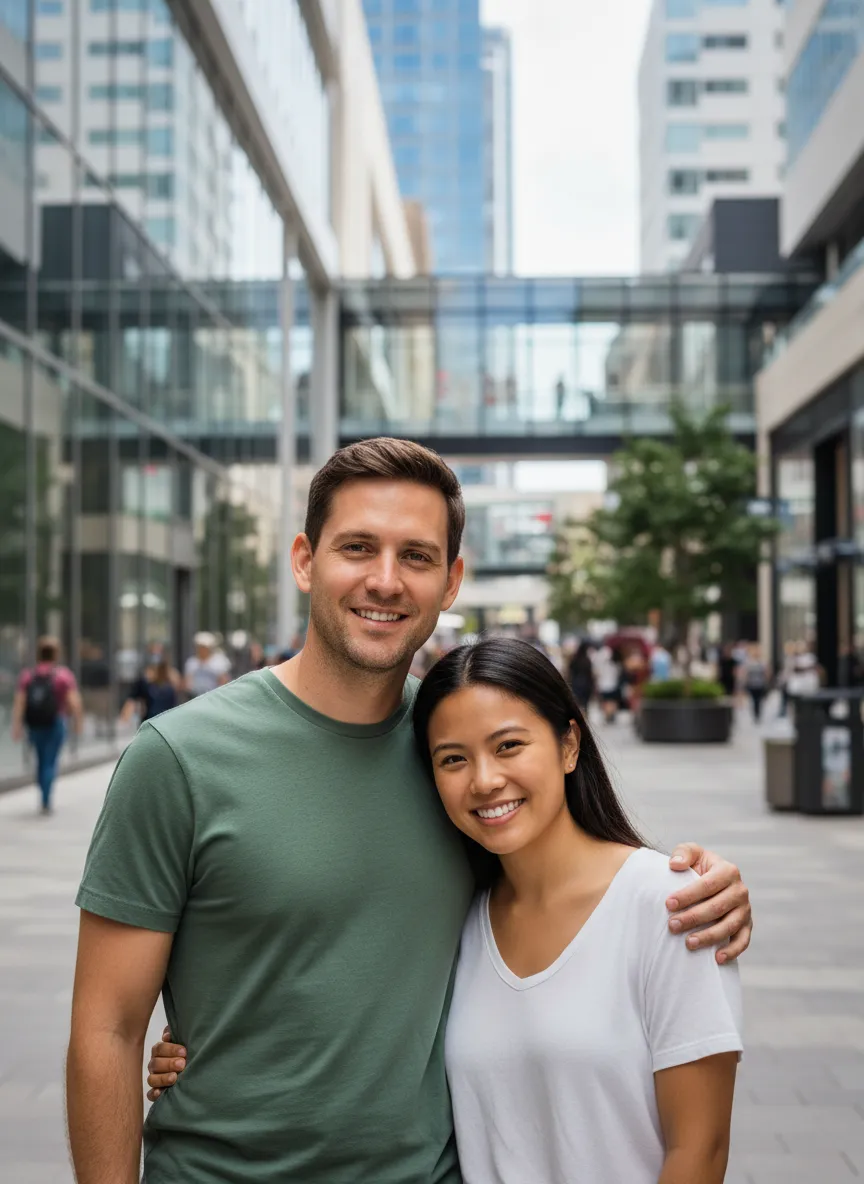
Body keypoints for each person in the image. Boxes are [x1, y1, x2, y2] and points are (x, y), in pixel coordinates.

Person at [68, 438, 752, 1184]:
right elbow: (107, 1029)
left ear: (452, 580)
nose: (385, 581)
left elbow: (571, 880)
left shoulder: (455, 756)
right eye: (358, 547)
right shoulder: (177, 758)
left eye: (417, 557)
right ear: (305, 559)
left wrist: (696, 886)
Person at [149, 639, 743, 1183]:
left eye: (509, 745)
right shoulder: (464, 916)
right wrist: (210, 1044)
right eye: (453, 759)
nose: (485, 780)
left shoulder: (673, 907)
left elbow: (700, 1150)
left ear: (568, 744)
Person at [11, 636, 84, 814]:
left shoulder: (28, 676)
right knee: (50, 761)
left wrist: (17, 725)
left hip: (35, 724)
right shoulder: (63, 676)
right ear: (56, 654)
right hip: (55, 723)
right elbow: (75, 703)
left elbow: (20, 702)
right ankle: (46, 799)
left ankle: (42, 790)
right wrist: (78, 722)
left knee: (40, 758)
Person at [120, 655, 180, 725]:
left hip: (166, 721)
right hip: (150, 721)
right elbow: (131, 700)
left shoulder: (169, 685)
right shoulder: (145, 684)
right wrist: (126, 713)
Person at [183, 631, 231, 697]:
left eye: (204, 647)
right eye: (200, 647)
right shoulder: (191, 662)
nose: (202, 649)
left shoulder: (220, 661)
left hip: (215, 697)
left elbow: (223, 681)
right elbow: (187, 683)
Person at [592, 642, 623, 722]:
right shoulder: (615, 664)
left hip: (603, 685)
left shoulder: (600, 663)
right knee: (612, 701)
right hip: (613, 685)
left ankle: (607, 715)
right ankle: (611, 715)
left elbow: (596, 673)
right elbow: (618, 674)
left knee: (605, 702)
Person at [742, 644, 770, 722]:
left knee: (759, 701)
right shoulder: (749, 662)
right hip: (752, 685)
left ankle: (758, 714)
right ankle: (755, 714)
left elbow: (766, 673)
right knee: (754, 701)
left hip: (760, 684)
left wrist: (767, 681)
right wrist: (745, 683)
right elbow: (745, 674)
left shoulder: (762, 662)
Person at [567, 640, 595, 711]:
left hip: (576, 683)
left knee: (577, 704)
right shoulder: (587, 660)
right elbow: (590, 674)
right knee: (585, 704)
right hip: (586, 684)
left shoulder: (575, 659)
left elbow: (570, 672)